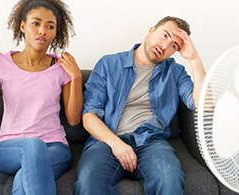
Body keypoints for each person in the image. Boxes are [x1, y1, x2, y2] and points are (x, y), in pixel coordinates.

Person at [74, 16, 206, 195]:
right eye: (164, 35)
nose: (165, 46)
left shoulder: (175, 72)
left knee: (169, 179)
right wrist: (116, 144)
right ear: (151, 30)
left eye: (174, 45)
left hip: (151, 142)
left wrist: (194, 58)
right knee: (89, 183)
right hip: (107, 141)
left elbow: (204, 104)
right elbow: (89, 116)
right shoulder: (108, 64)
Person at [0, 0, 83, 194]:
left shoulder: (61, 68)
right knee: (33, 145)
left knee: (26, 176)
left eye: (50, 26)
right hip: (8, 148)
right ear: (23, 26)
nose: (42, 31)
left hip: (55, 148)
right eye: (36, 23)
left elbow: (73, 119)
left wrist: (76, 77)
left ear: (55, 33)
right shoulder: (0, 63)